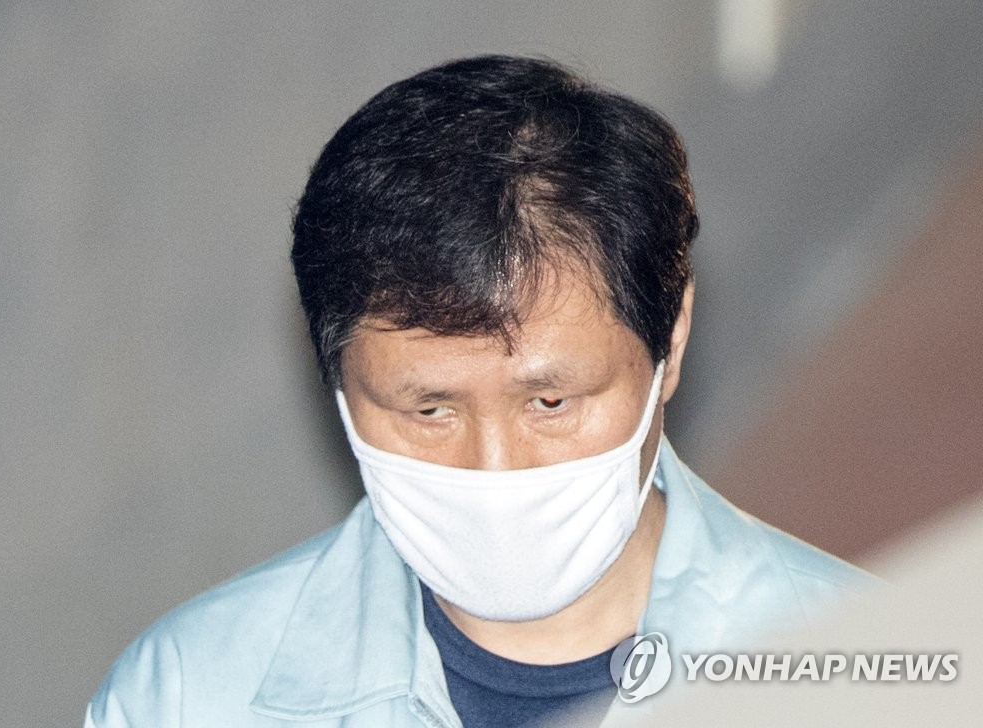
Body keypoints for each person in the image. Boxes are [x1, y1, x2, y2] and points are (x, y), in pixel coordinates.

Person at [85, 55, 871, 728]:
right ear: (340, 383)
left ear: (670, 337)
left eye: (550, 403)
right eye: (430, 411)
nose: (496, 471)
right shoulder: (190, 698)